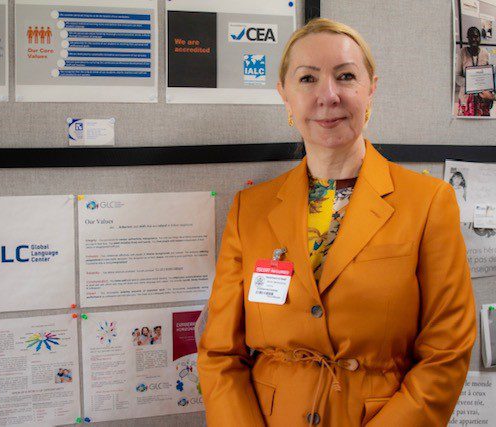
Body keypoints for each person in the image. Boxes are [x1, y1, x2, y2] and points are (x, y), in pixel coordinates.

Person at [198, 18, 476, 426]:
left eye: (345, 76)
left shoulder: (429, 202)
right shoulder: (249, 210)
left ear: (370, 90)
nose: (328, 96)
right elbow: (220, 353)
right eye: (307, 79)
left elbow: (447, 352)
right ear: (285, 96)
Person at [456, 26, 495, 116]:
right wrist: (471, 83)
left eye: (476, 36)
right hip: (466, 99)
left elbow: (488, 76)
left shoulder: (485, 53)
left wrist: (490, 95)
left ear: (480, 38)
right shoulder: (462, 53)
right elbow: (457, 76)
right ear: (468, 38)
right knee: (467, 127)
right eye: (471, 37)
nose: (474, 39)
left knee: (481, 126)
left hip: (482, 98)